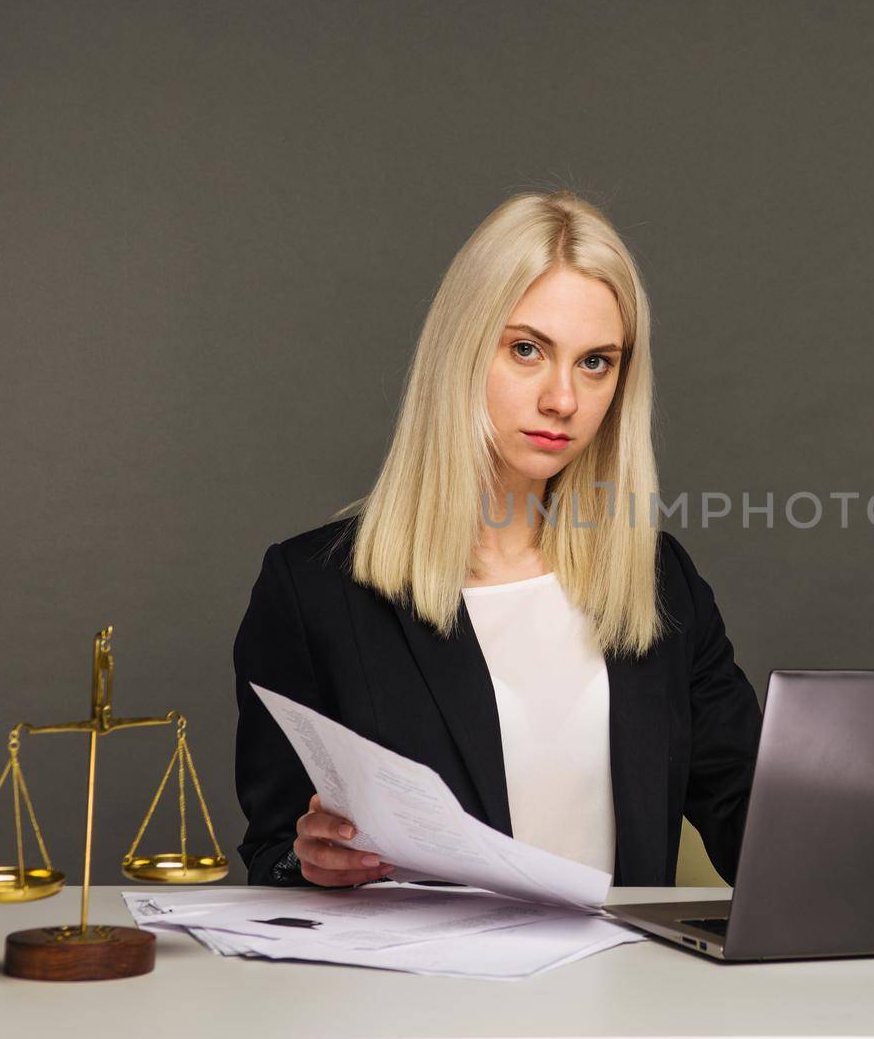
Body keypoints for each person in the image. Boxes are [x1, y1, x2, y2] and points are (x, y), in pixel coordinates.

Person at [233, 191, 763, 888]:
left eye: (596, 363)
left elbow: (754, 819)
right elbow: (275, 850)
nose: (563, 399)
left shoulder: (659, 581)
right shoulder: (314, 590)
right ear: (460, 351)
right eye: (526, 350)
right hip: (427, 993)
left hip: (631, 991)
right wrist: (313, 862)